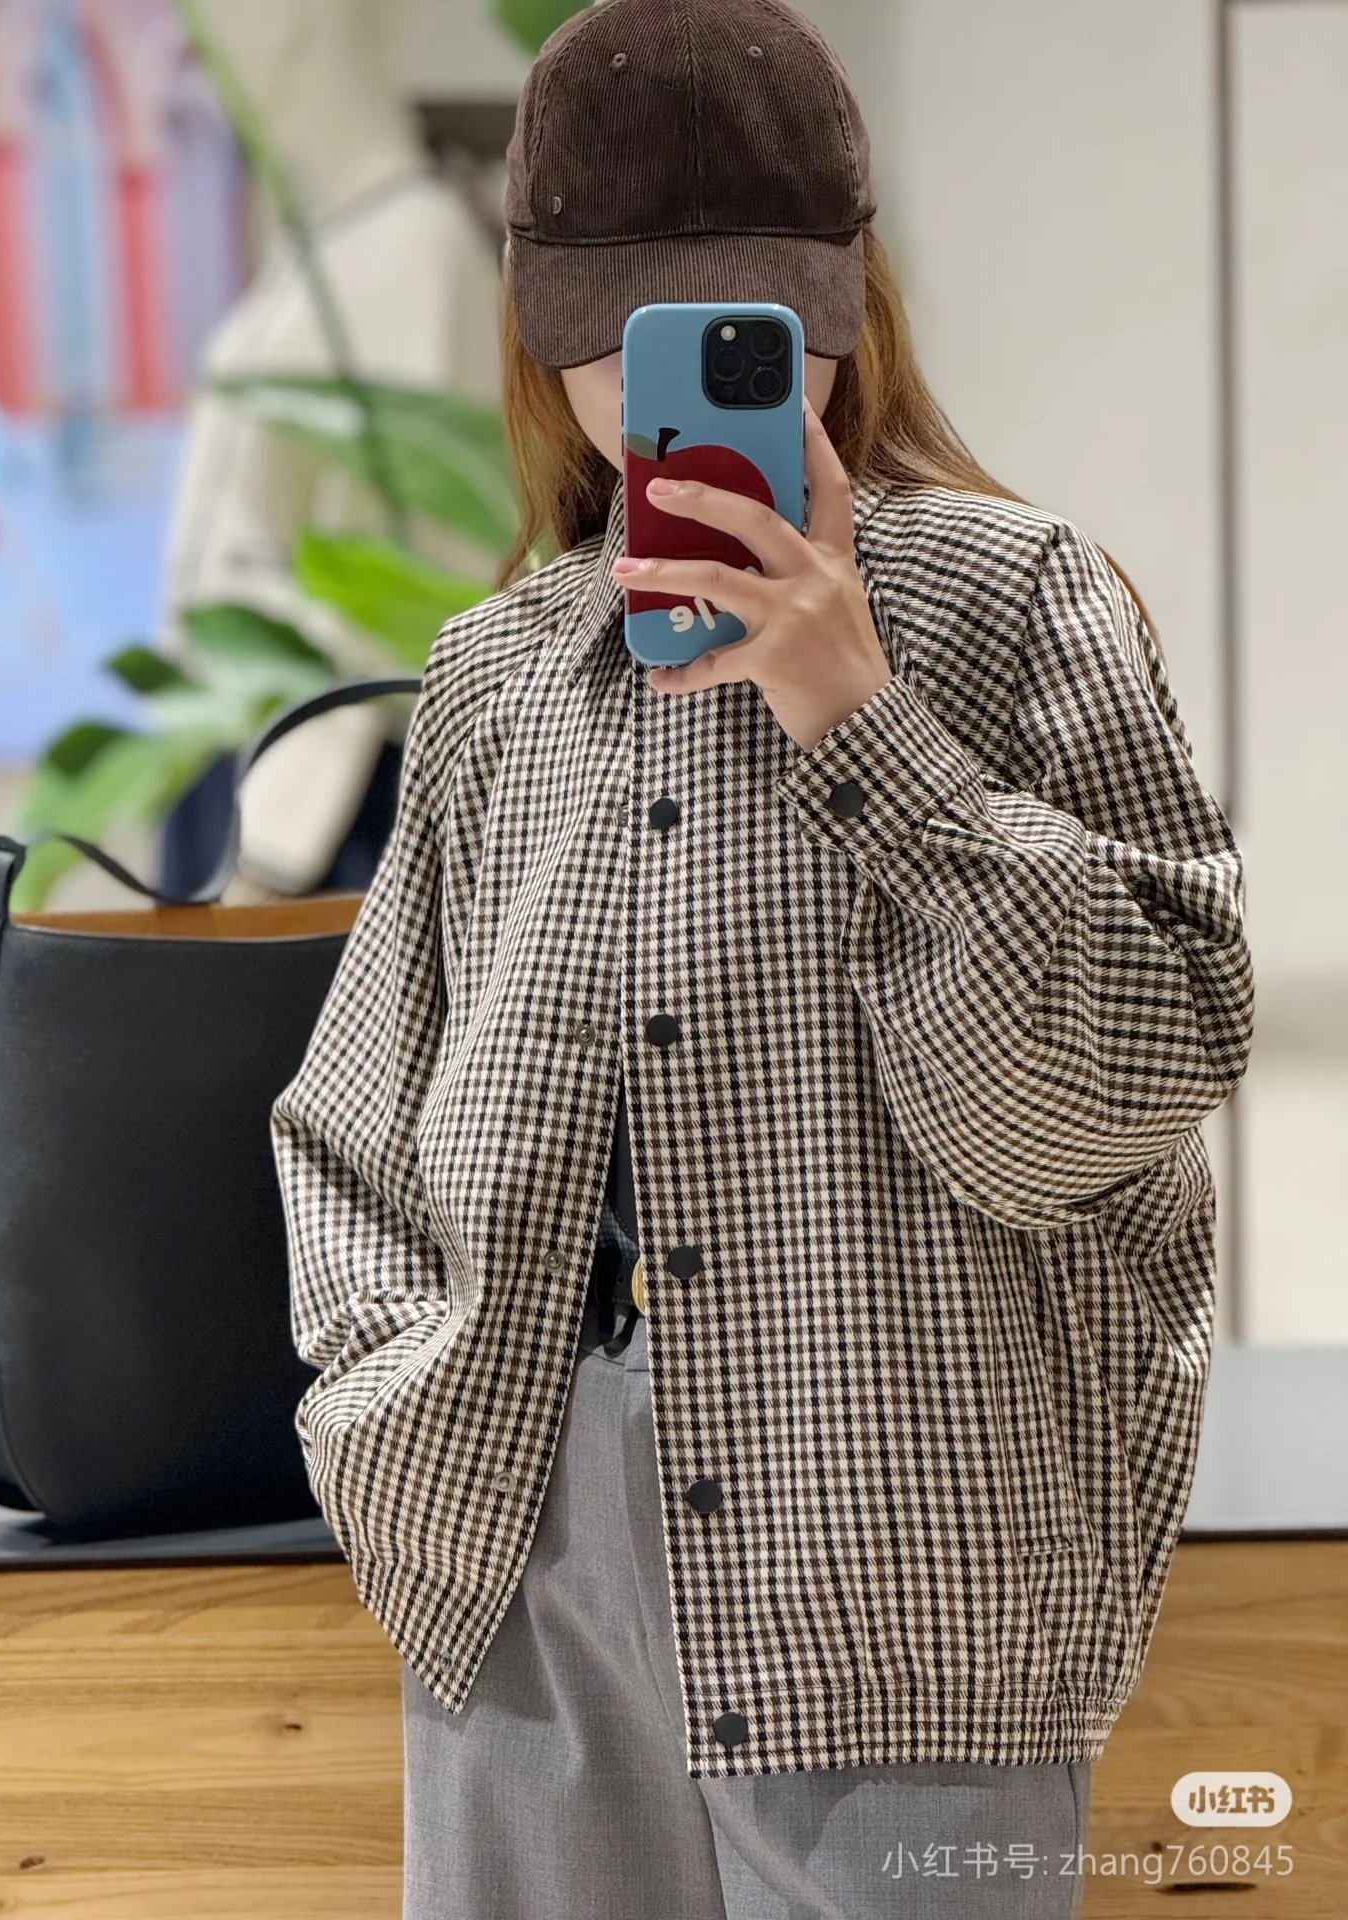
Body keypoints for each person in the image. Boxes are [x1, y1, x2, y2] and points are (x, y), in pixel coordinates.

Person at [268, 2, 1255, 1915]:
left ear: (842, 309)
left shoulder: (1019, 603)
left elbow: (1116, 1086)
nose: (667, 394)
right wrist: (389, 1407)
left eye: (738, 330)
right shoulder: (495, 675)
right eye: (619, 332)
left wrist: (858, 718)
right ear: (538, 324)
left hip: (908, 1568)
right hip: (523, 1553)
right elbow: (353, 1118)